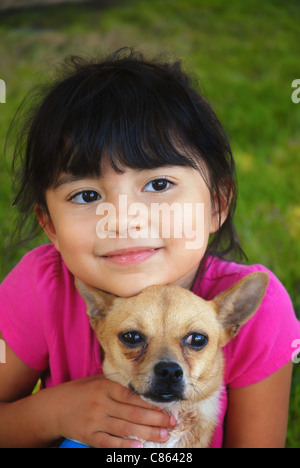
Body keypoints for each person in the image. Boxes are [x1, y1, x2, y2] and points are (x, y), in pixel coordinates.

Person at [0, 48, 299, 448]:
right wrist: (54, 412)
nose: (123, 218)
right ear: (50, 226)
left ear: (217, 204)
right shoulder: (40, 287)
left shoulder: (259, 311)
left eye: (157, 185)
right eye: (87, 194)